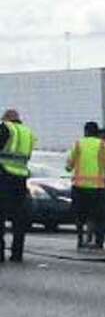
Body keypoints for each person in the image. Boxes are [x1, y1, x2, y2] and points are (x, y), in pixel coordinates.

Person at [66, 121, 105, 250]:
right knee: (97, 216)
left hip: (79, 186)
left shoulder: (79, 144)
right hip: (97, 186)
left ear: (86, 132)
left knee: (80, 216)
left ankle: (80, 239)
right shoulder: (102, 145)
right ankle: (98, 242)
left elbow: (68, 166)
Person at [0, 109, 36, 264]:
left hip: (3, 175)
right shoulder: (28, 133)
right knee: (19, 218)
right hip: (21, 178)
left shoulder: (5, 128)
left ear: (6, 119)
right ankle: (17, 253)